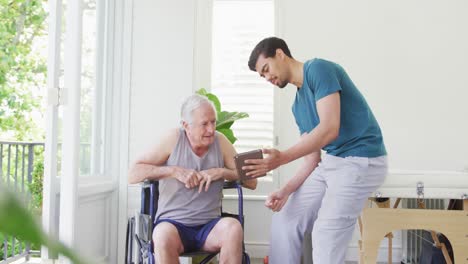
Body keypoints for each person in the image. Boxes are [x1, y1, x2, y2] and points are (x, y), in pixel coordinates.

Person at [245, 37, 388, 263]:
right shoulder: (298, 105)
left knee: (325, 234)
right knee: (286, 217)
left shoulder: (318, 70)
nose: (267, 77)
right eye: (262, 76)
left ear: (280, 54)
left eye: (266, 68)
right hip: (333, 162)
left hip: (360, 159)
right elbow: (312, 161)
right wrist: (285, 191)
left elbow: (330, 129)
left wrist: (281, 158)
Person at [128, 94, 257, 264]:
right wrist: (173, 171)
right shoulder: (173, 139)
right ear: (186, 125)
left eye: (213, 122)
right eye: (204, 124)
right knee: (161, 235)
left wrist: (221, 172)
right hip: (174, 225)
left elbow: (251, 181)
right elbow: (133, 174)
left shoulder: (220, 141)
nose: (211, 129)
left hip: (209, 226)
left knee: (233, 228)